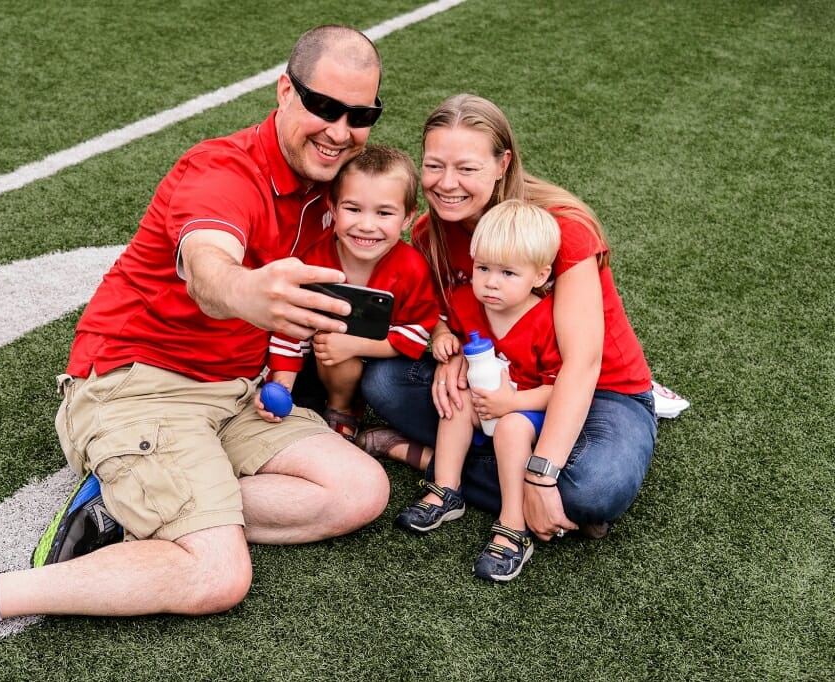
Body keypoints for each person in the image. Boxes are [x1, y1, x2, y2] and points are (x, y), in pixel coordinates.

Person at [0, 25, 391, 682]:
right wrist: (248, 293)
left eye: (361, 116)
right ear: (284, 91)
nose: (341, 129)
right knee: (217, 575)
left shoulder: (339, 189)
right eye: (325, 107)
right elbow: (208, 266)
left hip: (231, 392)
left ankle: (126, 506)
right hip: (136, 383)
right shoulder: (222, 171)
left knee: (358, 490)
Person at [358, 93, 658, 544]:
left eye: (467, 168)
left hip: (601, 391)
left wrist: (541, 475)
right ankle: (498, 479)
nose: (446, 183)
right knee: (381, 381)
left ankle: (426, 459)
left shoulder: (564, 229)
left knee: (594, 490)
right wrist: (452, 354)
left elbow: (582, 365)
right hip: (497, 378)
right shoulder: (429, 234)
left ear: (502, 165)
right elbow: (447, 317)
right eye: (435, 165)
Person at [394, 200, 562, 582]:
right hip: (486, 401)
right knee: (458, 397)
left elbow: (560, 389)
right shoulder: (468, 300)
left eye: (507, 273)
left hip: (530, 408)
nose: (490, 281)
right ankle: (446, 489)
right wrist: (443, 341)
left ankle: (514, 525)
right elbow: (444, 323)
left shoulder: (546, 319)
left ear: (539, 275)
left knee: (512, 428)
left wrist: (513, 403)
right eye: (482, 268)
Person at [264, 145, 440, 440]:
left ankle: (343, 410)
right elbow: (290, 331)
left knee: (354, 358)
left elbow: (417, 333)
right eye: (353, 209)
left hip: (386, 359)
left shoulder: (412, 268)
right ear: (332, 207)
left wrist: (356, 345)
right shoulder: (313, 263)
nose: (367, 225)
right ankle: (340, 404)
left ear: (408, 218)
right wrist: (280, 386)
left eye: (384, 212)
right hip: (326, 360)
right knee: (324, 347)